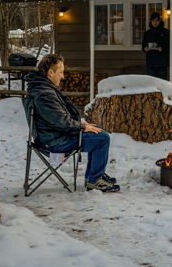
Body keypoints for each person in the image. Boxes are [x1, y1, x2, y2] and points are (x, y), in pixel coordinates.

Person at [24, 54, 120, 192]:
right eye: (61, 72)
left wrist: (84, 126)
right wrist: (82, 126)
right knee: (102, 138)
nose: (63, 76)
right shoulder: (44, 93)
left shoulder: (42, 88)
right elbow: (61, 121)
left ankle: (93, 177)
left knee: (97, 130)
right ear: (50, 73)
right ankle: (94, 180)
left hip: (53, 136)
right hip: (54, 142)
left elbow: (59, 120)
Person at [142, 11, 170, 80]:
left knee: (162, 82)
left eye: (156, 21)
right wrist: (145, 48)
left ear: (160, 21)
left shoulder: (166, 32)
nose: (154, 23)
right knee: (151, 82)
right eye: (153, 21)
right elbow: (143, 46)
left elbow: (169, 46)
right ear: (150, 21)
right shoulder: (147, 33)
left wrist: (161, 48)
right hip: (151, 62)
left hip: (162, 63)